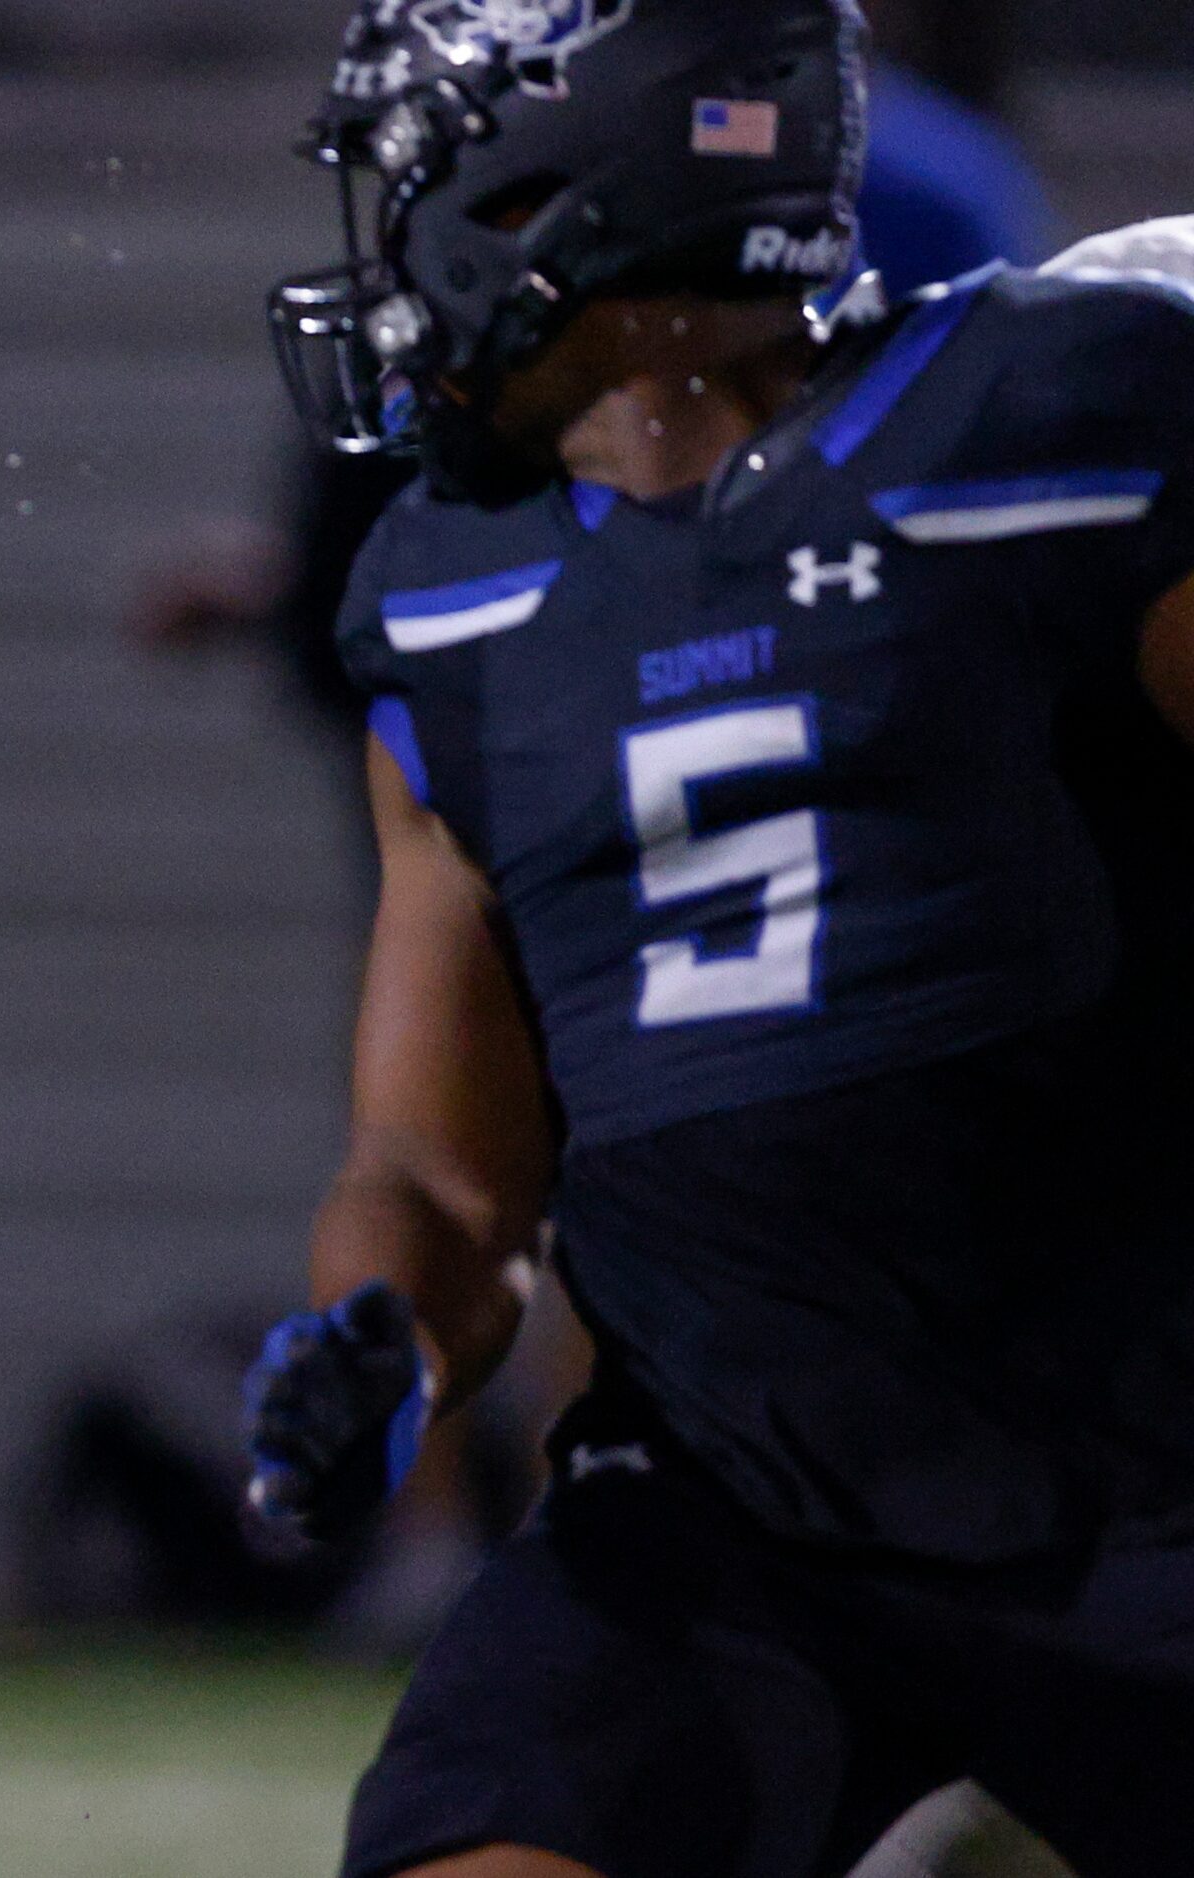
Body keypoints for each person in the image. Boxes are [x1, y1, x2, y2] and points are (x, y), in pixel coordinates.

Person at [245, 3, 1194, 1874]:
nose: (397, 247)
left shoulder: (1061, 426)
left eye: (424, 176)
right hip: (727, 1504)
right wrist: (381, 1340)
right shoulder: (446, 595)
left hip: (1144, 1459)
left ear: (566, 189)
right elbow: (437, 1167)